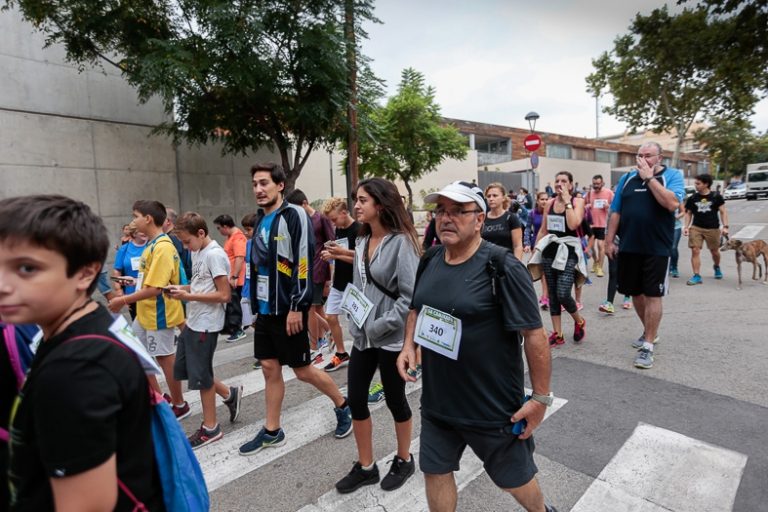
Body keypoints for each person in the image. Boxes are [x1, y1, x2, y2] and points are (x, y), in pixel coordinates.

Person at [397, 181, 558, 512]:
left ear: (479, 219)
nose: (446, 218)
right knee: (435, 470)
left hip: (491, 406)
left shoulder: (502, 266)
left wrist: (540, 399)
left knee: (513, 481)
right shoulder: (430, 258)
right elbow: (416, 307)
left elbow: (535, 335)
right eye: (441, 211)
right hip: (439, 401)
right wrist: (408, 346)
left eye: (458, 211)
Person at [1, 195, 164, 511]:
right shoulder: (91, 324)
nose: (3, 284)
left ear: (86, 273)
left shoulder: (75, 369)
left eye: (26, 268)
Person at [238, 163, 352, 456]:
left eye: (264, 183)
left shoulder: (293, 215)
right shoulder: (261, 220)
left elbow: (302, 259)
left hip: (288, 308)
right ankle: (272, 430)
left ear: (280, 186)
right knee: (268, 367)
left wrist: (296, 306)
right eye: (255, 184)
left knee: (302, 370)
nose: (258, 189)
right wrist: (252, 306)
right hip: (266, 308)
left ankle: (343, 405)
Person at [334, 178, 420, 494]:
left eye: (363, 200)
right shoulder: (361, 240)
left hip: (393, 338)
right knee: (357, 399)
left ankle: (404, 459)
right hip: (364, 336)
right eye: (356, 199)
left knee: (396, 400)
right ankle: (366, 466)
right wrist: (355, 320)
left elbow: (410, 297)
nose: (356, 205)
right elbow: (360, 286)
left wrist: (379, 325)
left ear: (381, 205)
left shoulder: (402, 243)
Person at [165, 212, 244, 449]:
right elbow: (201, 284)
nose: (186, 247)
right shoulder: (198, 251)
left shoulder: (214, 255)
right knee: (191, 369)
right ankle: (229, 394)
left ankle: (211, 428)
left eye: (187, 242)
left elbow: (224, 295)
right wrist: (182, 288)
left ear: (201, 233)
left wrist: (188, 296)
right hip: (194, 320)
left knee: (201, 376)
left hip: (207, 324)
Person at [605, 142, 685, 370]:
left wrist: (649, 178)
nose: (642, 159)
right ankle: (650, 331)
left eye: (648, 155)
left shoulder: (672, 176)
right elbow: (616, 211)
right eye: (639, 155)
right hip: (629, 246)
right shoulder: (627, 179)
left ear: (660, 157)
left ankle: (648, 346)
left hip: (657, 248)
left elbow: (671, 204)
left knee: (653, 294)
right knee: (635, 293)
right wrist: (608, 241)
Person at [108, 200, 189, 419]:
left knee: (164, 358)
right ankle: (160, 398)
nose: (133, 221)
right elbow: (150, 281)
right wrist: (133, 282)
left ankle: (180, 404)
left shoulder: (162, 247)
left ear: (148, 219)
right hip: (146, 312)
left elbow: (155, 289)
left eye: (135, 216)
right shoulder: (152, 245)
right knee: (135, 352)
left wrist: (122, 300)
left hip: (158, 311)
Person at [529, 172, 588, 346]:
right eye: (557, 181)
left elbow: (573, 224)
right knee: (553, 295)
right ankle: (558, 334)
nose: (559, 184)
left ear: (570, 185)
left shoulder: (578, 202)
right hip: (550, 250)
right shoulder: (550, 203)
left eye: (563, 181)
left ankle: (579, 321)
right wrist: (536, 250)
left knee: (563, 293)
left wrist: (568, 200)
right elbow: (544, 229)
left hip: (568, 251)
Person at [285, 189, 335, 362]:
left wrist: (329, 277)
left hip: (318, 268)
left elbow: (331, 244)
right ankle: (326, 336)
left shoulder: (321, 219)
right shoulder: (299, 220)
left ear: (305, 203)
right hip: (304, 268)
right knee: (316, 307)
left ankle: (314, 347)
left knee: (310, 308)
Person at [319, 197, 359, 372]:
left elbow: (362, 258)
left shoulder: (358, 229)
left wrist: (337, 254)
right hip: (339, 281)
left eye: (334, 219)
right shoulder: (338, 230)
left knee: (357, 323)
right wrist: (332, 255)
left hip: (354, 283)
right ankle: (341, 353)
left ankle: (367, 353)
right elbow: (339, 254)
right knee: (330, 316)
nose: (333, 223)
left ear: (344, 212)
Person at [684, 173, 729, 285]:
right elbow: (688, 213)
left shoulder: (716, 197)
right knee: (695, 250)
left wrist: (725, 226)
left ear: (706, 184)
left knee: (715, 252)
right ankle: (697, 275)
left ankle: (717, 266)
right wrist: (686, 227)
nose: (696, 185)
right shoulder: (693, 198)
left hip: (713, 228)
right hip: (696, 227)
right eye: (695, 183)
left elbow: (723, 212)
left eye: (698, 183)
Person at [214, 214, 248, 342]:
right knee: (234, 304)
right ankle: (236, 327)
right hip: (233, 277)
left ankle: (238, 330)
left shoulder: (238, 237)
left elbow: (240, 257)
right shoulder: (231, 237)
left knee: (235, 305)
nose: (219, 231)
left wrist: (234, 276)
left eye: (219, 228)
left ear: (225, 226)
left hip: (237, 278)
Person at [112, 223, 148, 320]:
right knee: (136, 320)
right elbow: (117, 270)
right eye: (141, 231)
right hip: (131, 293)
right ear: (134, 233)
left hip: (149, 291)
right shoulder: (124, 249)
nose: (145, 233)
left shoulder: (152, 246)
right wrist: (119, 290)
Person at [482, 182, 524, 259]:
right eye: (488, 196)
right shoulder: (482, 218)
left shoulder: (511, 218)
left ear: (503, 198)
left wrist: (516, 264)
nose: (491, 199)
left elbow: (517, 246)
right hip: (486, 262)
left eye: (495, 195)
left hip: (507, 262)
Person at [524, 192, 551, 309]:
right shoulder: (532, 213)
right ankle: (545, 296)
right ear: (538, 201)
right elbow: (527, 228)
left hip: (549, 243)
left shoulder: (551, 212)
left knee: (546, 271)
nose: (544, 201)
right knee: (541, 270)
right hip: (536, 243)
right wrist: (526, 243)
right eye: (542, 199)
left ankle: (546, 296)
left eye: (546, 199)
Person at [584, 174, 614, 277]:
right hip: (591, 224)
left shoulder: (609, 193)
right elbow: (583, 204)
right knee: (591, 246)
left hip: (603, 224)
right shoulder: (589, 193)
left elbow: (615, 206)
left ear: (602, 183)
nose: (596, 186)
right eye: (594, 184)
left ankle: (600, 268)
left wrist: (608, 206)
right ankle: (596, 261)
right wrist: (587, 206)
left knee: (601, 245)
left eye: (598, 183)